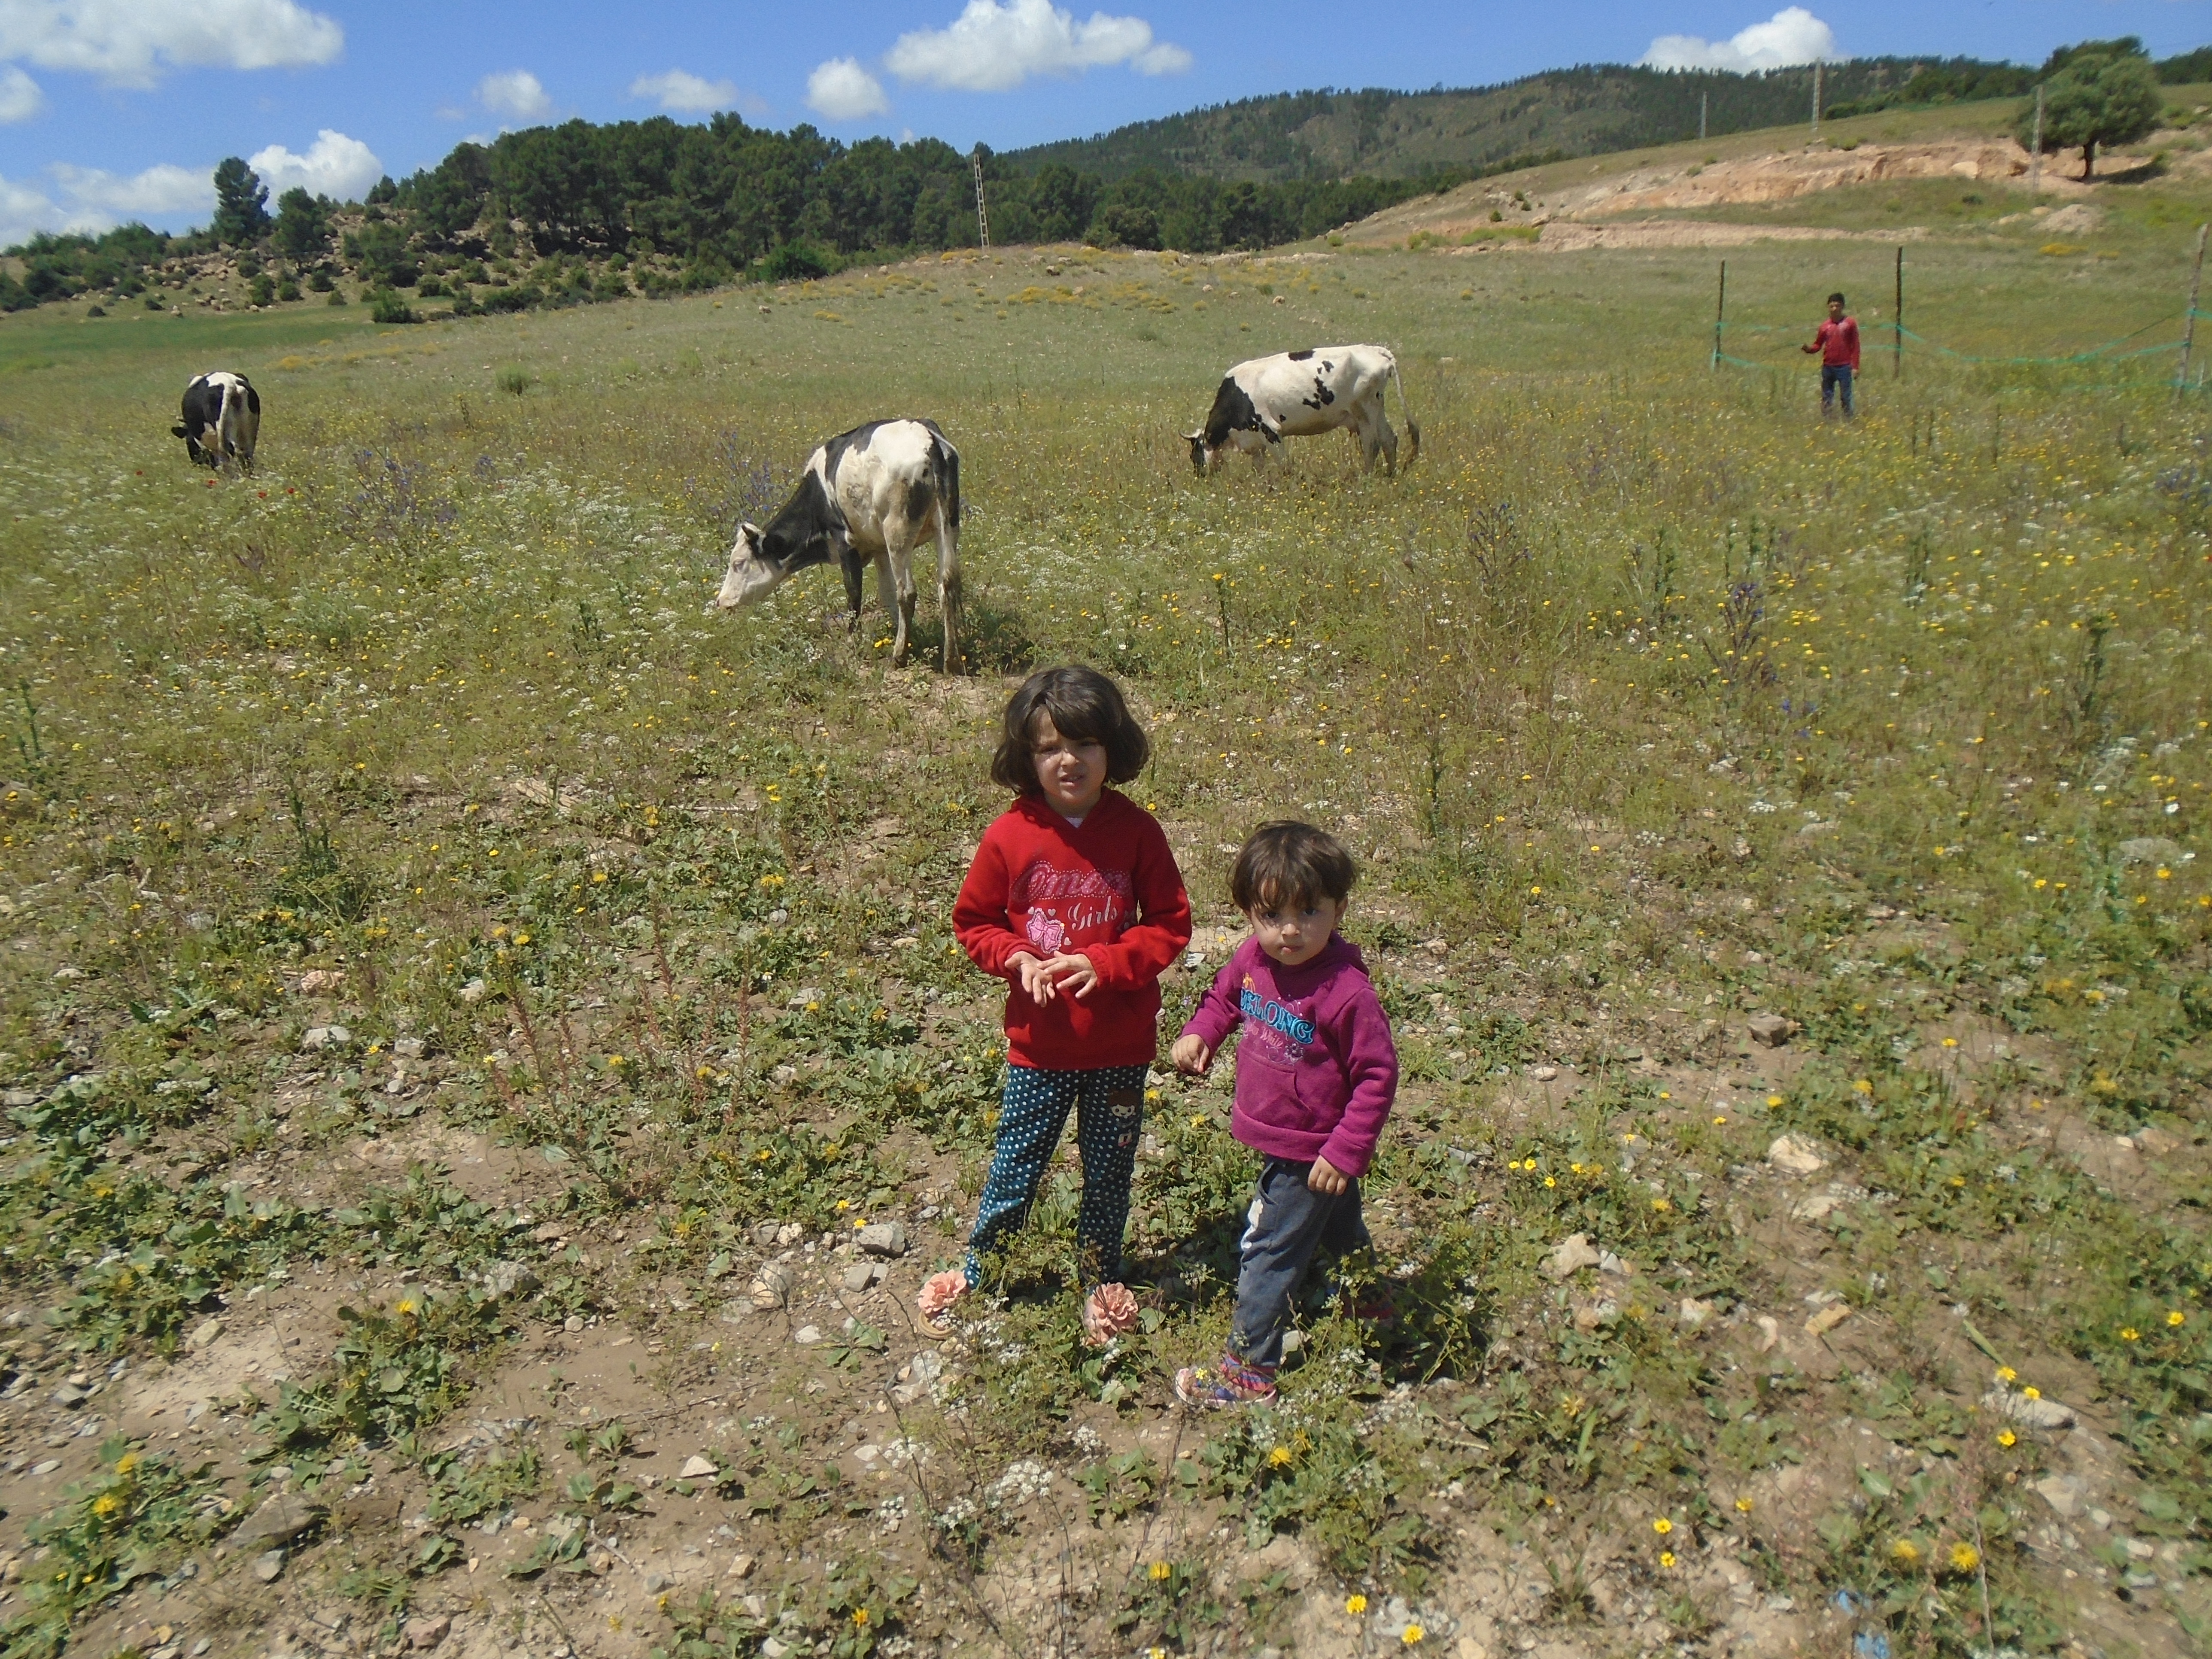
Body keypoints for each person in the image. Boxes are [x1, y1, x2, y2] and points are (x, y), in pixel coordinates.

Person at [921, 665, 1191, 1343]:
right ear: (1026, 756)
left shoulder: (1137, 832)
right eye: (1048, 748)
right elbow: (974, 921)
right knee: (1018, 1160)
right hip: (1039, 1045)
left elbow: (1169, 922)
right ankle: (984, 1270)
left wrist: (1103, 962)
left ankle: (1100, 1281)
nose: (1068, 761)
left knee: (1109, 1171)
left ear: (1114, 749)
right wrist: (1016, 957)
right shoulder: (1010, 835)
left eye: (1086, 744)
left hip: (1119, 1045)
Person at [1168, 822, 1398, 1407]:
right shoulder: (1254, 960)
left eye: (1310, 912)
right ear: (1250, 913)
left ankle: (1248, 1373)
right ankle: (1368, 1303)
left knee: (1267, 1250)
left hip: (1313, 1146)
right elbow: (1225, 998)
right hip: (1292, 1137)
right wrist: (1201, 1035)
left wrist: (1345, 1149)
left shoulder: (1347, 993)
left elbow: (1377, 1076)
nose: (1290, 931)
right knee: (1340, 1223)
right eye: (1272, 916)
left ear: (1340, 909)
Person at [1802, 291, 1860, 418]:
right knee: (1827, 396)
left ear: (1843, 306)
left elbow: (1855, 346)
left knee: (1846, 397)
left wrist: (1855, 367)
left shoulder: (1850, 324)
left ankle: (1849, 420)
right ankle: (1827, 420)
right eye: (1832, 306)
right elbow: (1818, 345)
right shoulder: (1825, 327)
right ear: (1828, 307)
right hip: (1828, 366)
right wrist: (1809, 349)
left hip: (1845, 367)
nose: (1835, 309)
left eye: (1837, 306)